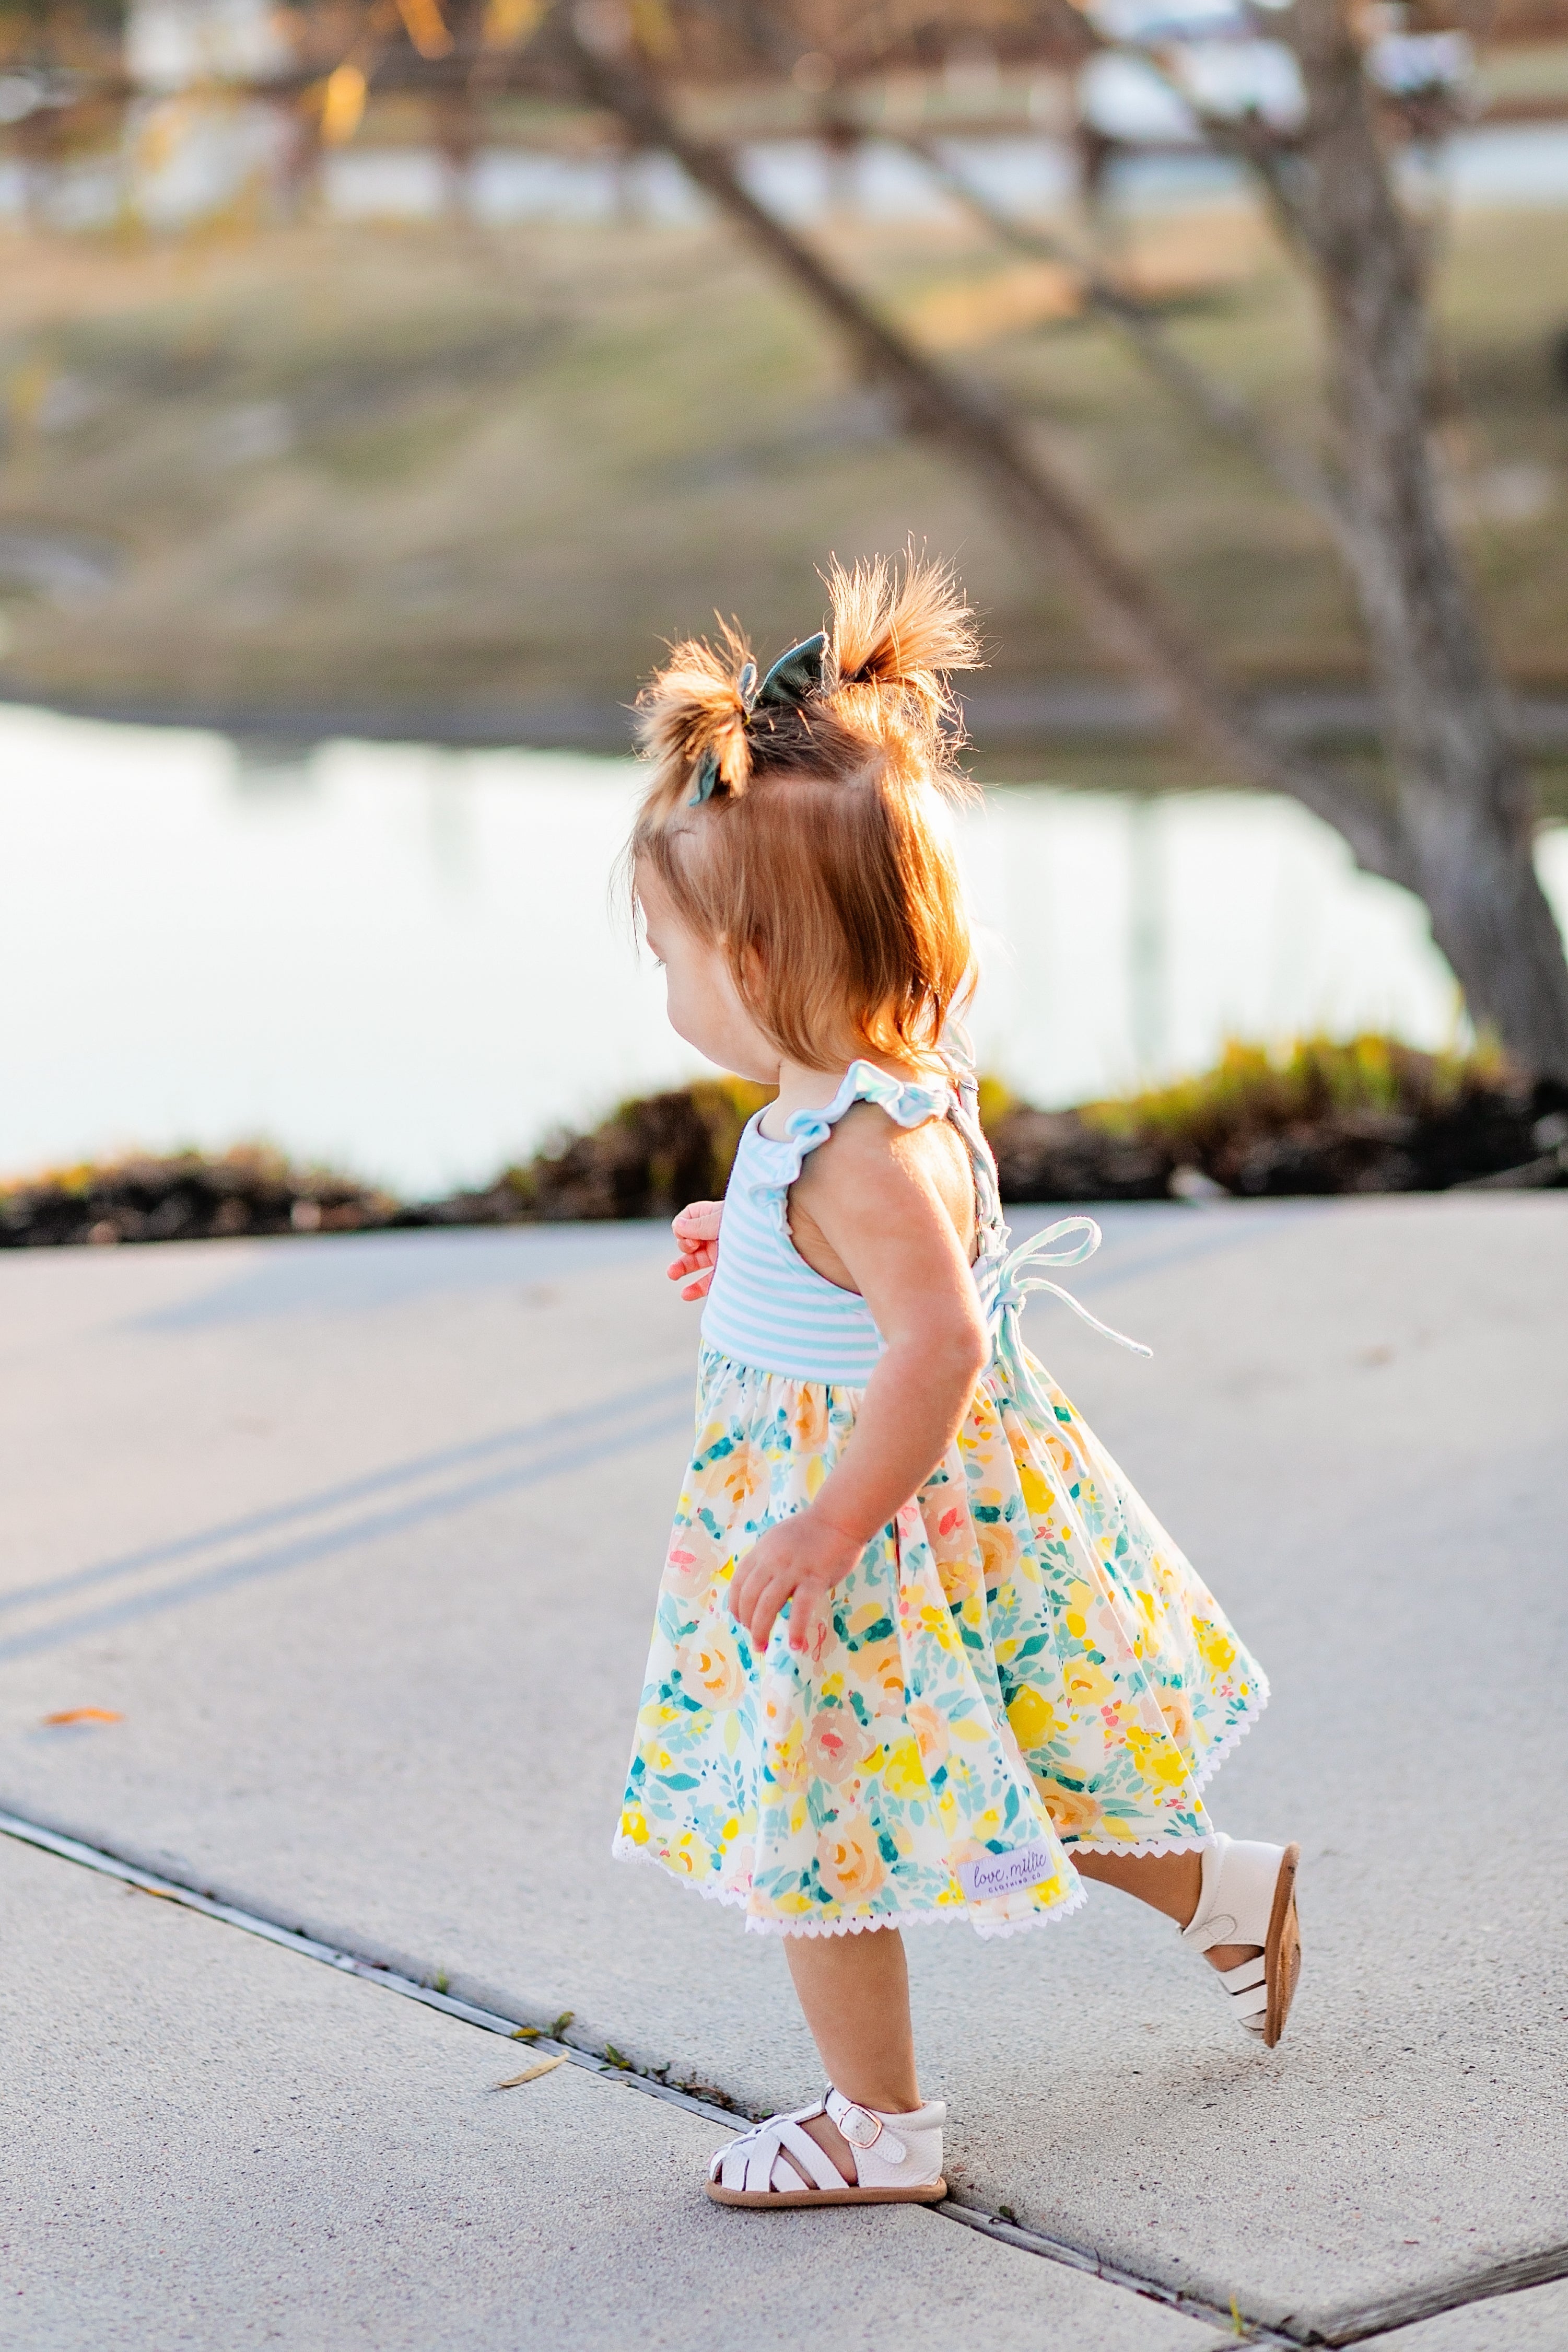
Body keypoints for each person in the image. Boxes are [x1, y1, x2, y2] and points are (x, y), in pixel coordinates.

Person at [612, 554, 1300, 2209]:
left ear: (764, 963)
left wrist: (828, 1531)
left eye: (668, 953)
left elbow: (933, 1338)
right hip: (901, 1507)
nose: (661, 983)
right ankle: (1221, 1889)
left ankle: (879, 2128)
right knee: (999, 1760)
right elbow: (871, 1280)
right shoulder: (869, 1098)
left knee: (815, 1840)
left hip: (857, 1529)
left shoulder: (852, 1152)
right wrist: (748, 1236)